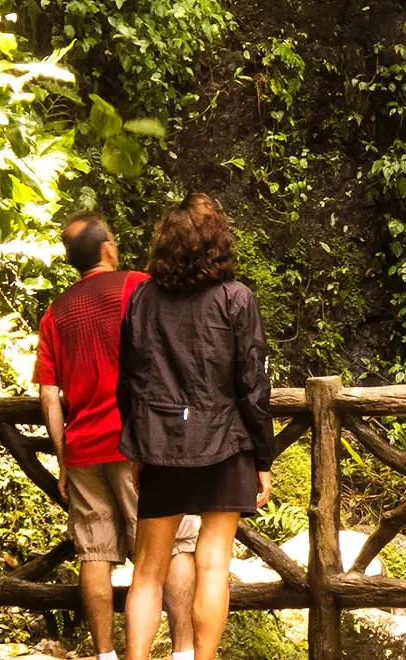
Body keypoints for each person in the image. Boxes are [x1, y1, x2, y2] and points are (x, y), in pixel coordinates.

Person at [35, 212, 199, 660]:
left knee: (94, 553)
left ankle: (105, 655)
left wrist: (63, 458)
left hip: (83, 451)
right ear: (108, 247)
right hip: (139, 443)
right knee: (175, 545)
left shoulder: (55, 312)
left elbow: (49, 394)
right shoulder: (138, 287)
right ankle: (184, 652)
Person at [118, 194, 274, 660]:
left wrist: (137, 447)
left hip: (161, 443)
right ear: (219, 241)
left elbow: (129, 381)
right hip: (225, 441)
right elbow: (253, 385)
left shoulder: (143, 298)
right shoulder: (236, 298)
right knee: (213, 565)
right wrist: (263, 458)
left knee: (148, 570)